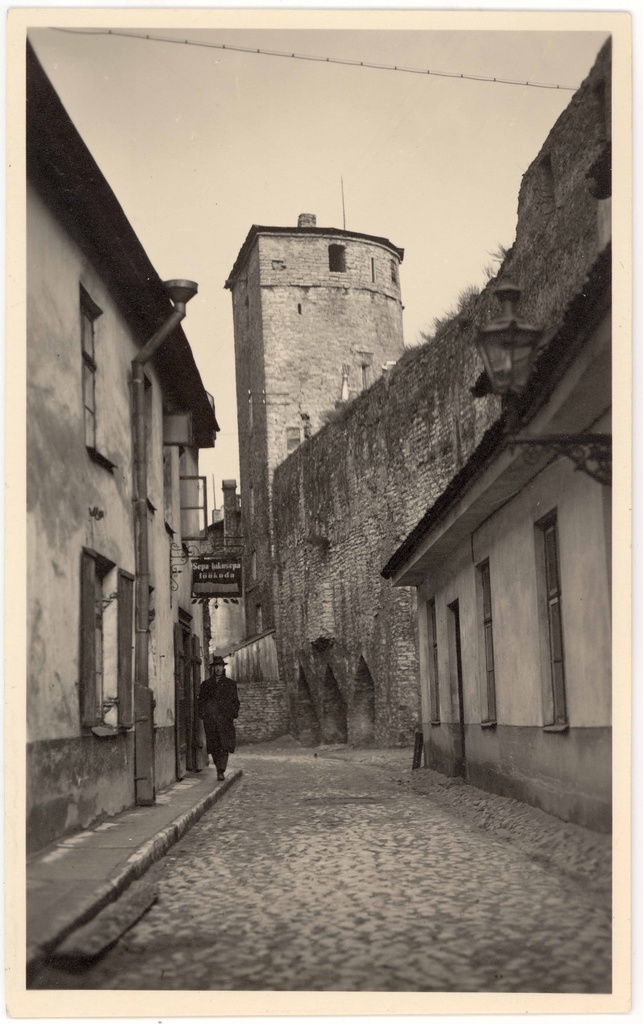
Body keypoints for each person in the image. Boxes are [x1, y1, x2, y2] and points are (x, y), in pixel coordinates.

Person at [197, 656, 240, 780]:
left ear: (223, 667)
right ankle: (218, 768)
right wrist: (204, 715)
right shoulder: (206, 685)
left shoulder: (230, 684)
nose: (218, 669)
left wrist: (232, 714)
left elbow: (235, 702)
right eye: (216, 666)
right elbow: (201, 702)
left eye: (220, 666)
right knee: (215, 746)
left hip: (225, 720)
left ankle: (221, 770)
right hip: (211, 720)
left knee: (224, 745)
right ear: (212, 668)